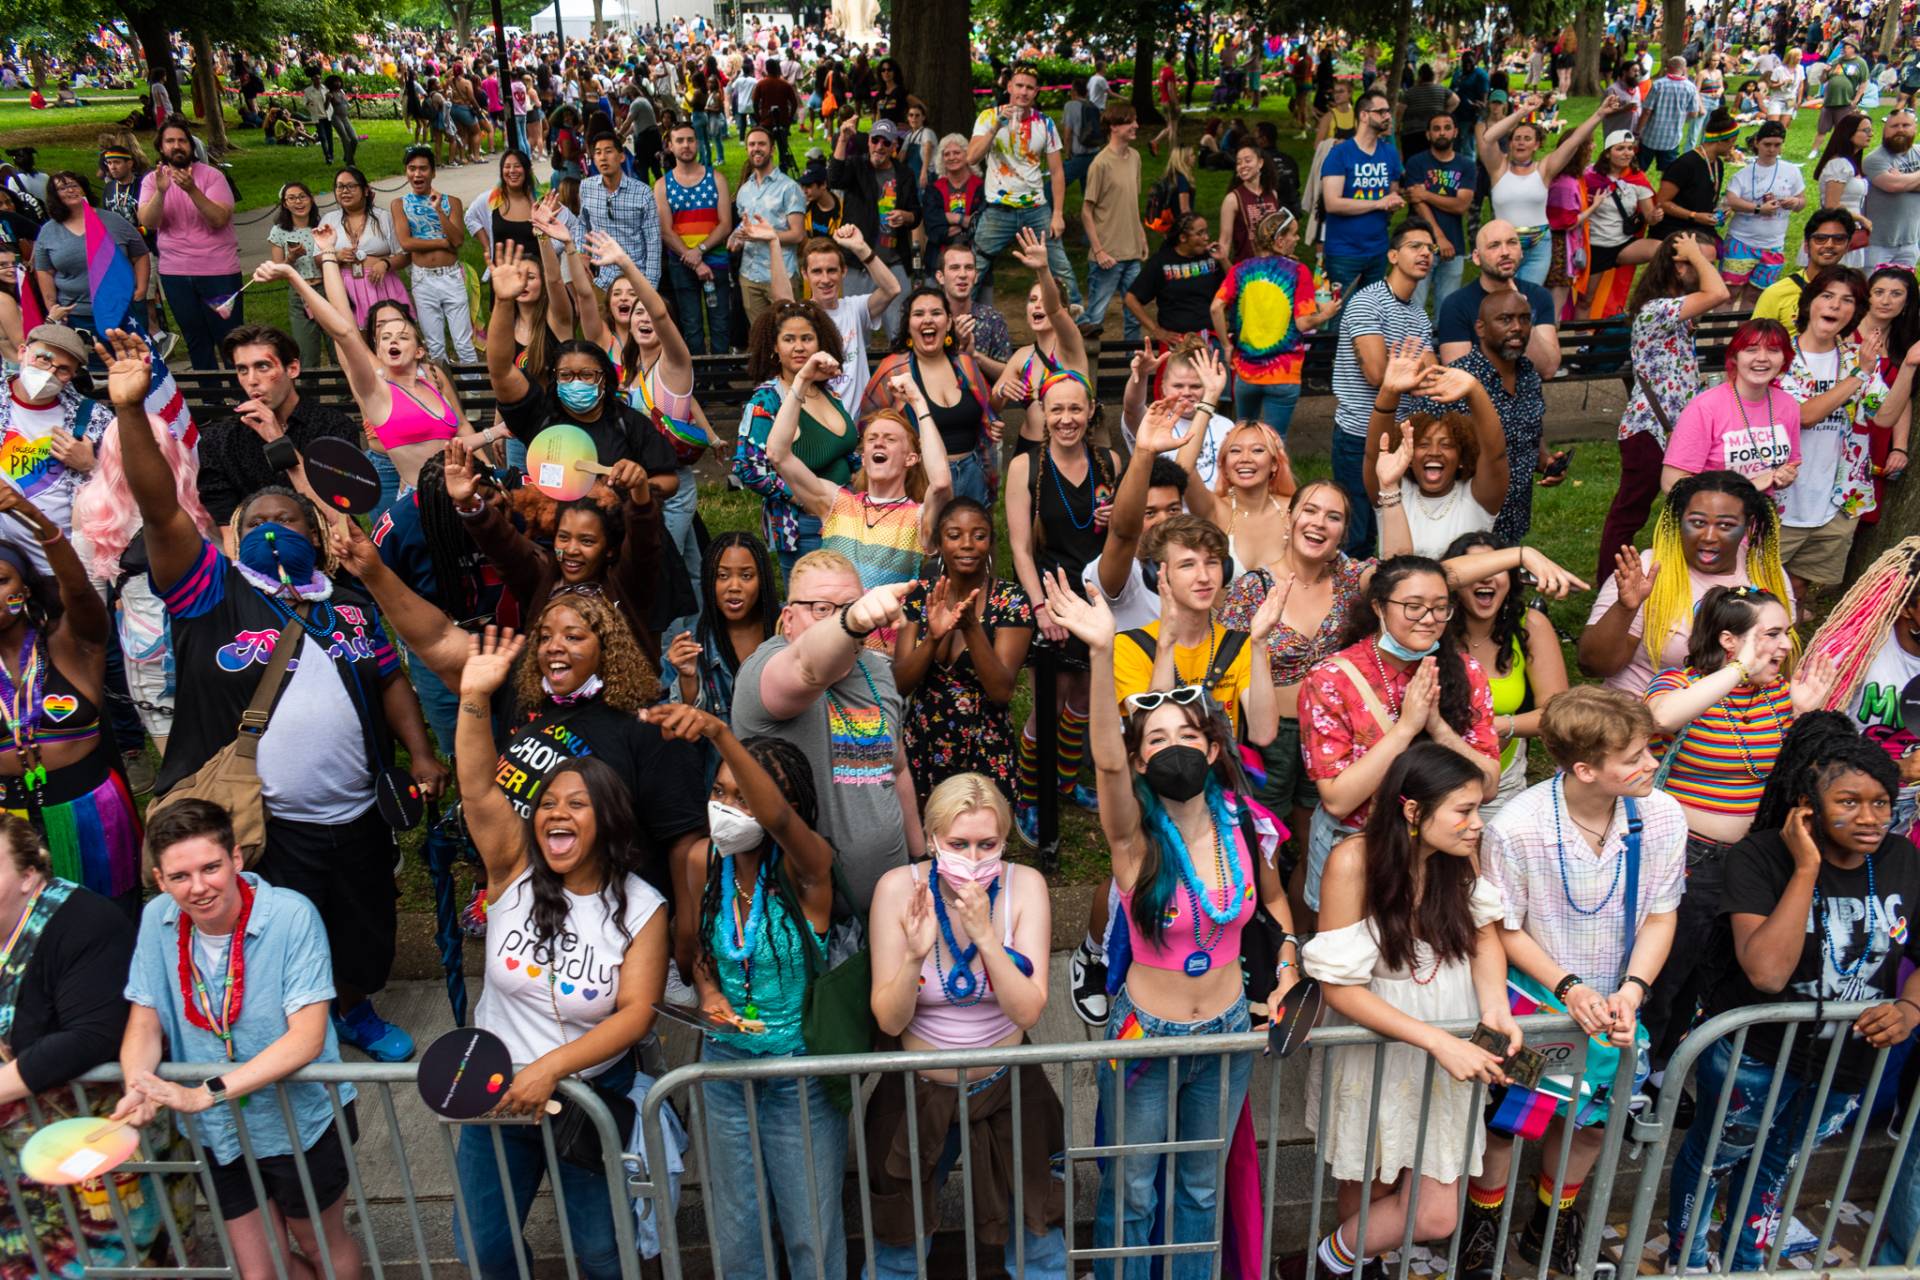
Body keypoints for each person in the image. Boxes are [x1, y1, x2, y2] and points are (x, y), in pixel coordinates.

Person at [100, 328, 443, 1063]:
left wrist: (420, 754)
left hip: (356, 812)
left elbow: (388, 677)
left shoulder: (347, 603)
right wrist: (132, 415)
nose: (273, 531)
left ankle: (355, 1007)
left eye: (288, 521)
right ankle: (289, 1032)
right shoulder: (209, 594)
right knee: (280, 927)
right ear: (230, 537)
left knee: (363, 921)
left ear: (316, 534)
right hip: (266, 821)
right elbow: (162, 513)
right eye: (256, 524)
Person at [1041, 570, 1296, 1280]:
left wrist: (1290, 967)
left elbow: (1274, 910)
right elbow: (1103, 761)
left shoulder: (1245, 824)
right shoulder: (1134, 841)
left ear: (1214, 748)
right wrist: (1099, 657)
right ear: (1142, 759)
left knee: (1200, 1189)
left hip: (1229, 1036)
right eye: (1155, 738)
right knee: (1132, 1193)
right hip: (1147, 1038)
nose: (1173, 745)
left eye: (1188, 731)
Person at [1663, 716, 1920, 1273]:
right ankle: (1687, 1257)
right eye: (1848, 802)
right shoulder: (1760, 858)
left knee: (1780, 1162)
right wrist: (1806, 867)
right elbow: (1767, 974)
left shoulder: (1902, 859)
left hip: (1843, 1064)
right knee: (1716, 1157)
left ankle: (1745, 1259)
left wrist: (1910, 1007)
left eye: (1881, 802)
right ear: (1807, 805)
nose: (1870, 818)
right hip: (1756, 1058)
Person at [449, 627, 668, 1278]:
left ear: (607, 818)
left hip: (587, 1102)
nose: (555, 814)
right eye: (546, 804)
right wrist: (472, 699)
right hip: (493, 1098)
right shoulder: (512, 870)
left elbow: (636, 1015)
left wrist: (551, 1070)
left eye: (576, 804)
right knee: (483, 1249)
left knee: (602, 1254)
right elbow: (478, 792)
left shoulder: (643, 906)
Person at [1463, 687, 1687, 1279]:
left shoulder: (1662, 815)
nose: (1652, 764)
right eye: (1635, 756)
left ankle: (1551, 1224)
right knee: (1509, 1121)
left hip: (1620, 1002)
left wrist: (1633, 990)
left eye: (1649, 750)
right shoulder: (1517, 827)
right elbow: (1503, 927)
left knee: (1589, 1122)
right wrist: (1568, 990)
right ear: (1585, 769)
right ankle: (1482, 1228)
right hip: (1532, 1003)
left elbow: (1663, 912)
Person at [1294, 743, 1516, 1280]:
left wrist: (1496, 1008)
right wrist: (1437, 1041)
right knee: (1367, 1186)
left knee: (1436, 1214)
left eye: (1478, 809)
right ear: (1412, 811)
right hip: (1381, 1037)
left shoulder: (1459, 858)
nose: (1476, 824)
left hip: (1454, 1034)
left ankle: (1322, 1265)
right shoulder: (1353, 862)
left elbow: (1485, 938)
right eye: (1464, 810)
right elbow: (1338, 987)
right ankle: (1357, 1266)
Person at [113, 799, 362, 1278]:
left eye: (211, 868)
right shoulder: (155, 920)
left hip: (298, 1124)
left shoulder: (292, 916)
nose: (200, 887)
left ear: (236, 860)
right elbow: (145, 1020)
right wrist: (137, 1084)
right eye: (180, 876)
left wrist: (207, 1094)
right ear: (160, 880)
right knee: (260, 1271)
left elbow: (307, 1038)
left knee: (321, 1247)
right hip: (218, 1135)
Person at [647, 699, 847, 1280]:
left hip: (796, 1074)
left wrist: (716, 731)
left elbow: (781, 822)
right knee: (737, 1233)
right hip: (722, 1072)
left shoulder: (807, 869)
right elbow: (695, 956)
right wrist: (708, 993)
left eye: (744, 797)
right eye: (720, 791)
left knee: (812, 1229)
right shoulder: (698, 859)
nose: (727, 808)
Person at [865, 773, 1065, 1277]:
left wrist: (986, 936)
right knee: (898, 1244)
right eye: (958, 844)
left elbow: (1028, 1010)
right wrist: (913, 957)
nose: (973, 858)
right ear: (932, 839)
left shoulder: (1025, 887)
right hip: (917, 1089)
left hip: (1006, 1086)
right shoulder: (897, 889)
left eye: (987, 844)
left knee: (1038, 1235)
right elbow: (888, 1017)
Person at [1639, 585, 1838, 1059]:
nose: (1786, 646)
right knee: (1665, 977)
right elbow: (1662, 718)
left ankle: (1670, 1068)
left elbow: (1797, 782)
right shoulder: (1676, 683)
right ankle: (1630, 1077)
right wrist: (1736, 672)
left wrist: (1804, 716)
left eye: (1786, 633)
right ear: (1731, 641)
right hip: (1685, 860)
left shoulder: (1778, 698)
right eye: (1772, 634)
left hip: (1749, 865)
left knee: (1712, 975)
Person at [0, 814, 186, 1276]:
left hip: (95, 1152)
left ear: (28, 876)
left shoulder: (82, 922)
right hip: (20, 1176)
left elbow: (90, 1037)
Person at [734, 560, 916, 908]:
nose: (835, 617)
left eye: (848, 606)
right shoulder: (765, 668)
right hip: (800, 916)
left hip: (889, 906)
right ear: (788, 619)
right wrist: (852, 620)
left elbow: (898, 767)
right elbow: (807, 667)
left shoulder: (876, 670)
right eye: (821, 609)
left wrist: (919, 857)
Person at [0, 482, 142, 908]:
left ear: (23, 589)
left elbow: (79, 591)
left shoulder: (71, 642)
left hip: (90, 815)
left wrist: (38, 519)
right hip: (9, 826)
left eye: (0, 579)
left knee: (108, 929)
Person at [253, 244, 474, 498]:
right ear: (374, 339)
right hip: (388, 469)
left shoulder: (432, 374)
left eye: (400, 330)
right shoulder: (369, 373)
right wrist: (327, 256)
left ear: (416, 342)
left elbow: (462, 427)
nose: (392, 337)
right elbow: (342, 322)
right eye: (383, 328)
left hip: (444, 470)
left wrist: (486, 462)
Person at [1005, 371, 1117, 841]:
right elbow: (1019, 546)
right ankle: (1030, 796)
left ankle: (1067, 780)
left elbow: (1129, 534)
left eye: (1075, 409)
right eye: (1057, 410)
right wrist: (1040, 609)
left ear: (1090, 411)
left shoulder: (1109, 462)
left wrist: (1117, 517)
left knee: (1084, 699)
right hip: (1047, 597)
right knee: (1047, 705)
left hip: (1095, 599)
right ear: (1042, 415)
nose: (1067, 419)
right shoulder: (1025, 468)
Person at [1584, 468, 1794, 692]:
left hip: (1736, 718)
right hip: (1646, 712)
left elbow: (1781, 657)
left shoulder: (1767, 572)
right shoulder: (1647, 569)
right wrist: (1625, 609)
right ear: (1679, 520)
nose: (1709, 536)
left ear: (1747, 524)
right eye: (1697, 522)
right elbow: (1594, 666)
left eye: (1725, 526)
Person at [771, 355, 951, 595]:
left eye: (890, 439)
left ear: (911, 458)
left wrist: (918, 401)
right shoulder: (835, 503)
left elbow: (940, 483)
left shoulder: (918, 518)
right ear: (864, 457)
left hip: (887, 631)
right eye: (872, 439)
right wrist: (802, 379)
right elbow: (778, 453)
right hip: (833, 630)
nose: (879, 444)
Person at [894, 498, 1033, 803]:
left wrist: (971, 628)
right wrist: (932, 638)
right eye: (955, 535)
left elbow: (1001, 691)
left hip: (984, 743)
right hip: (924, 741)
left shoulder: (1010, 600)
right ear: (940, 543)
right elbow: (900, 684)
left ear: (990, 543)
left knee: (979, 837)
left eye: (979, 535)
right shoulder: (920, 596)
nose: (967, 544)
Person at [1773, 266, 1884, 606]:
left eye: (1847, 300)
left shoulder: (1856, 357)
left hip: (1837, 500)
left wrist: (1908, 366)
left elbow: (1884, 413)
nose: (1835, 306)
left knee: (1799, 589)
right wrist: (1860, 375)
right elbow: (1804, 416)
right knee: (1756, 588)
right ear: (1809, 303)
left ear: (1856, 312)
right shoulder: (1778, 354)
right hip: (1779, 498)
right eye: (1827, 296)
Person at [1330, 222, 1438, 556]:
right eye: (1415, 246)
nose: (1425, 254)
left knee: (1391, 524)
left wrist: (1405, 367)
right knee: (1357, 535)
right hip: (1359, 436)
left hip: (1400, 437)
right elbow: (1378, 374)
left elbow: (1432, 376)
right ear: (1393, 255)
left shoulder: (1418, 315)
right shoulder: (1367, 302)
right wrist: (1408, 368)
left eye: (1430, 249)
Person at [195, 326, 362, 537]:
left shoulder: (333, 427)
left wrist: (278, 442)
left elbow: (339, 519)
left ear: (292, 368)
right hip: (253, 560)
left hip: (331, 551)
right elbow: (230, 533)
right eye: (242, 370)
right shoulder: (219, 442)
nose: (251, 380)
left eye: (263, 366)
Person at [733, 297, 860, 573]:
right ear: (775, 348)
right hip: (805, 526)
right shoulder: (767, 401)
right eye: (789, 339)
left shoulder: (829, 392)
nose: (799, 347)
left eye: (807, 338)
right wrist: (804, 499)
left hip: (848, 516)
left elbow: (847, 451)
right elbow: (747, 467)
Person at [1445, 531, 1568, 812]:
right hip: (1435, 775)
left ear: (1510, 580)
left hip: (1502, 782)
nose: (1486, 577)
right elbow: (1429, 576)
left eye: (1497, 568)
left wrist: (1501, 726)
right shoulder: (1432, 625)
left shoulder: (1530, 626)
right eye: (1477, 568)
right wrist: (1522, 555)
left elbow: (1556, 712)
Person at [1804, 539, 1920, 836]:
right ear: (1907, 608)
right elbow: (1814, 746)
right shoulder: (1852, 654)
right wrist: (1899, 768)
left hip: (1911, 817)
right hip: (1847, 803)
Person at [1362, 346, 1510, 557]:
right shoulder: (1392, 492)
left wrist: (1475, 391)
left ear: (1462, 459)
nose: (1434, 452)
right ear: (1409, 458)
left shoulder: (1476, 499)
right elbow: (1374, 455)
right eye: (1422, 445)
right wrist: (1389, 392)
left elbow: (1496, 455)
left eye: (1447, 445)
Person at [1478, 91, 1621, 285]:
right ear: (1510, 144)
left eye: (1527, 138)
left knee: (1530, 303)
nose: (1521, 142)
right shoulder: (1498, 168)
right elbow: (1488, 138)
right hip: (1504, 244)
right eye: (1517, 138)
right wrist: (1522, 112)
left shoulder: (1544, 169)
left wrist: (1600, 114)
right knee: (1503, 300)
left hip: (1538, 245)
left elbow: (1574, 141)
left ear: (1536, 145)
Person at [1211, 209, 1332, 438]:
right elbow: (1304, 323)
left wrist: (1227, 346)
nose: (1297, 239)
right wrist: (1326, 314)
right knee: (1276, 441)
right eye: (1294, 234)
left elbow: (1215, 307)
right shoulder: (1298, 272)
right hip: (1283, 374)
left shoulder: (1240, 270)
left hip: (1246, 374)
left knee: (1244, 436)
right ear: (1279, 240)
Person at [968, 64, 1078, 307]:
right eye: (1019, 85)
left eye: (1029, 88)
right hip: (998, 209)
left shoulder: (1045, 123)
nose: (1023, 92)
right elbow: (972, 157)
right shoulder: (988, 117)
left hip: (1036, 208)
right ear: (1009, 87)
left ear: (1036, 92)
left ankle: (1077, 323)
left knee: (1060, 266)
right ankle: (955, 322)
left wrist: (1058, 214)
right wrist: (997, 124)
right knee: (974, 268)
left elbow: (1058, 171)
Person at [135, 118, 238, 370]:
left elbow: (219, 219)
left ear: (191, 146)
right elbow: (149, 221)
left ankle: (241, 396)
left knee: (230, 338)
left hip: (218, 272)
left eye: (182, 141)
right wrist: (161, 192)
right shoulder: (152, 180)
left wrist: (192, 190)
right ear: (161, 147)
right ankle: (211, 400)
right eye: (170, 141)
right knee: (196, 339)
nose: (177, 146)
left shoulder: (212, 176)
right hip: (176, 273)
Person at [1659, 317, 1803, 496]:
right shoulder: (1705, 407)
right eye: (1751, 350)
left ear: (1784, 359)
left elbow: (1791, 463)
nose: (1762, 358)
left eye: (1773, 350)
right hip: (1714, 520)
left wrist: (1784, 476)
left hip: (1763, 519)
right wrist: (1746, 487)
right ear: (1735, 357)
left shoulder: (1788, 404)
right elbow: (1671, 482)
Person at [764, 226, 899, 413]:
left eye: (832, 270)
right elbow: (782, 300)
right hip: (822, 426)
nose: (825, 279)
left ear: (843, 271)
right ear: (805, 274)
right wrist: (773, 243)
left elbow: (892, 289)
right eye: (817, 271)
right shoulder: (803, 314)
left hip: (861, 426)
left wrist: (861, 249)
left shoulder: (855, 308)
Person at [829, 118, 919, 338]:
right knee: (854, 332)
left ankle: (902, 371)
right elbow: (834, 178)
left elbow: (916, 214)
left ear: (894, 146)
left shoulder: (904, 173)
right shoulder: (856, 165)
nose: (879, 146)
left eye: (886, 142)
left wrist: (905, 216)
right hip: (857, 263)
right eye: (875, 140)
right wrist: (843, 139)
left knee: (901, 331)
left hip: (893, 263)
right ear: (868, 141)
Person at [1318, 88, 1406, 306]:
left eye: (1388, 111)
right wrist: (1378, 203)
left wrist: (1394, 201)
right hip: (1344, 252)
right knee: (1340, 318)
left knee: (1372, 316)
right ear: (1364, 115)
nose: (1388, 116)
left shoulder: (1389, 153)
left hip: (1378, 249)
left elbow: (1392, 192)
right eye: (1382, 111)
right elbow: (1332, 203)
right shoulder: (1340, 154)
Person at [388, 146, 476, 364]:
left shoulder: (451, 202)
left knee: (463, 343)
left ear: (433, 172)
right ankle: (444, 393)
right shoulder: (399, 204)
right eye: (412, 169)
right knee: (434, 346)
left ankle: (475, 392)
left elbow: (457, 240)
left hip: (451, 277)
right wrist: (441, 242)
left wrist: (438, 211)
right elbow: (406, 243)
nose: (417, 174)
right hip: (423, 279)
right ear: (406, 171)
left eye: (423, 169)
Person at [30, 172, 148, 333]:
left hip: (122, 307)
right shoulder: (48, 231)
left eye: (74, 185)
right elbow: (44, 271)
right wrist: (52, 307)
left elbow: (140, 254)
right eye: (63, 188)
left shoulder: (114, 221)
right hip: (77, 314)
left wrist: (141, 289)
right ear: (54, 196)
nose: (70, 190)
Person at [654, 120, 734, 355]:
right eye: (679, 140)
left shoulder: (716, 179)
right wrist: (693, 259)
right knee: (691, 326)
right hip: (681, 264)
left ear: (697, 143)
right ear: (670, 145)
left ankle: (720, 380)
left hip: (715, 260)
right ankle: (697, 380)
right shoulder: (662, 185)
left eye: (690, 140)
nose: (686, 145)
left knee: (720, 323)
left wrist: (699, 251)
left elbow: (726, 224)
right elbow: (666, 231)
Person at [1719, 121, 1807, 309]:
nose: (1772, 149)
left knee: (1756, 296)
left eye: (1777, 145)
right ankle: (1720, 335)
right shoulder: (1743, 174)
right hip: (1741, 241)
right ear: (1757, 142)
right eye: (1767, 144)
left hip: (1773, 245)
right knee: (1729, 293)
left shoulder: (1791, 171)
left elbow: (1802, 202)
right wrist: (1759, 209)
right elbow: (1732, 200)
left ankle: (1743, 335)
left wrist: (1795, 202)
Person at [1579, 131, 1666, 318]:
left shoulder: (1637, 178)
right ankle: (1581, 342)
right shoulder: (1589, 176)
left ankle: (1650, 301)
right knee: (1586, 299)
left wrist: (1655, 216)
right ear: (1608, 153)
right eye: (1620, 149)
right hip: (1595, 246)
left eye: (1630, 148)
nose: (1627, 153)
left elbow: (1649, 217)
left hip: (1623, 244)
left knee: (1665, 250)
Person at [1082, 102, 1149, 342]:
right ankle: (1084, 372)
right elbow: (1086, 211)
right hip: (1107, 258)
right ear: (1114, 127)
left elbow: (1131, 203)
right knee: (1094, 320)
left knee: (1134, 316)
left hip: (1132, 254)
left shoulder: (1136, 158)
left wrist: (1141, 237)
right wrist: (1099, 251)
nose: (1136, 126)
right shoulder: (1100, 163)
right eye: (1130, 121)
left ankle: (1134, 369)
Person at [318, 167, 411, 328]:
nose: (344, 191)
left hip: (381, 285)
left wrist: (385, 264)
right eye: (340, 186)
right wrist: (337, 257)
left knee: (387, 334)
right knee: (353, 338)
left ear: (366, 190)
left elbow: (404, 255)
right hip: (345, 288)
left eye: (351, 186)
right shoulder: (329, 219)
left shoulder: (383, 218)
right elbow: (318, 259)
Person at [732, 127, 806, 326]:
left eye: (761, 144)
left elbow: (798, 235)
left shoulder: (789, 188)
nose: (756, 148)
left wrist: (765, 235)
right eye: (752, 144)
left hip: (781, 275)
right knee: (760, 336)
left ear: (772, 149)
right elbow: (744, 224)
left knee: (788, 331)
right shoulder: (744, 191)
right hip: (749, 276)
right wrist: (737, 238)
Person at [1402, 113, 1476, 314]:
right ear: (1428, 134)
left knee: (1447, 309)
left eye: (1446, 127)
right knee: (1413, 306)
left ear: (1455, 131)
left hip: (1455, 246)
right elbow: (1418, 204)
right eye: (1436, 128)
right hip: (1419, 244)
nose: (1441, 132)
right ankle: (1416, 346)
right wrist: (1439, 238)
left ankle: (1443, 346)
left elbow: (1461, 205)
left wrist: (1426, 194)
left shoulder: (1467, 165)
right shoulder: (1416, 163)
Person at [1124, 212, 1227, 348]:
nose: (1206, 237)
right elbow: (1131, 299)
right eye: (1200, 233)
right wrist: (1157, 330)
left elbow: (1237, 284)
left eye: (1206, 232)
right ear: (1183, 238)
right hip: (1177, 344)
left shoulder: (1212, 258)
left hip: (1210, 339)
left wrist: (1224, 259)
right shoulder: (1161, 262)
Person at [581, 131, 663, 289]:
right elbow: (582, 223)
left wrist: (650, 287)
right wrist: (580, 252)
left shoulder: (643, 193)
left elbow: (653, 243)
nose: (603, 157)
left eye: (608, 151)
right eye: (598, 153)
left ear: (621, 157)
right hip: (601, 279)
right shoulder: (586, 187)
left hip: (636, 278)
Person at [263, 181, 329, 368]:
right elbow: (278, 270)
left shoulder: (323, 225)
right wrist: (291, 258)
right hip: (300, 294)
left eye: (302, 196)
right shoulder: (279, 231)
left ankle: (345, 397)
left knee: (338, 348)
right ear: (285, 204)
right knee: (306, 353)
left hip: (327, 290)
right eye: (291, 198)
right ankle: (310, 396)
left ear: (311, 199)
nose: (298, 202)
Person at [1657, 108, 1739, 254]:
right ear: (1719, 141)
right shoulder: (1685, 164)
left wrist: (1719, 211)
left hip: (1701, 227)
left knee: (1721, 252)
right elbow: (1662, 202)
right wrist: (1694, 216)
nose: (1733, 147)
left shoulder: (1717, 163)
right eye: (1732, 142)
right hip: (1676, 228)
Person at [1863, 109, 1920, 271]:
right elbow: (1893, 185)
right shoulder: (1874, 159)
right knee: (1872, 291)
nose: (1900, 129)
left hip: (1910, 242)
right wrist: (1903, 182)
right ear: (1885, 130)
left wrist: (1903, 179)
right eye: (1894, 126)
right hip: (1877, 244)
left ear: (1914, 128)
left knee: (1902, 292)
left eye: (1906, 125)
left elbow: (1899, 184)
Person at [1814, 114, 1874, 268]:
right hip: (1835, 231)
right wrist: (1861, 219)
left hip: (1849, 231)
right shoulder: (1839, 164)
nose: (1871, 134)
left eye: (1871, 130)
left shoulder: (1850, 163)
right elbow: (1831, 205)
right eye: (1865, 130)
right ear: (1849, 133)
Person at [1634, 57, 1705, 172]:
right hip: (1672, 138)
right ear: (1684, 69)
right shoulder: (1690, 88)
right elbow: (1694, 113)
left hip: (1650, 136)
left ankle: (1636, 189)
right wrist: (1682, 118)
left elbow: (1647, 111)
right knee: (1668, 173)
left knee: (1639, 170)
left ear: (1668, 67)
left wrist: (1637, 132)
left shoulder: (1658, 84)